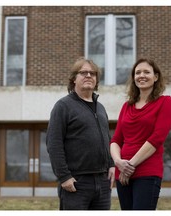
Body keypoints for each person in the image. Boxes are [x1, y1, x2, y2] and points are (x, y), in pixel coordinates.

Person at [46, 57, 115, 210]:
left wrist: (111, 165)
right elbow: (53, 143)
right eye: (83, 72)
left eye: (93, 73)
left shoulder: (101, 108)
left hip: (103, 183)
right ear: (73, 79)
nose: (89, 76)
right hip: (76, 183)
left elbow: (106, 139)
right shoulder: (63, 106)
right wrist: (64, 177)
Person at [110, 58, 171, 210]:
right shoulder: (127, 106)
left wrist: (130, 165)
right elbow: (116, 140)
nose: (142, 75)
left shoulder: (165, 102)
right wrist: (118, 162)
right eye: (138, 72)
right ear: (133, 77)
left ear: (156, 77)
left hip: (147, 171)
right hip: (123, 172)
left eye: (147, 72)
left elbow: (157, 138)